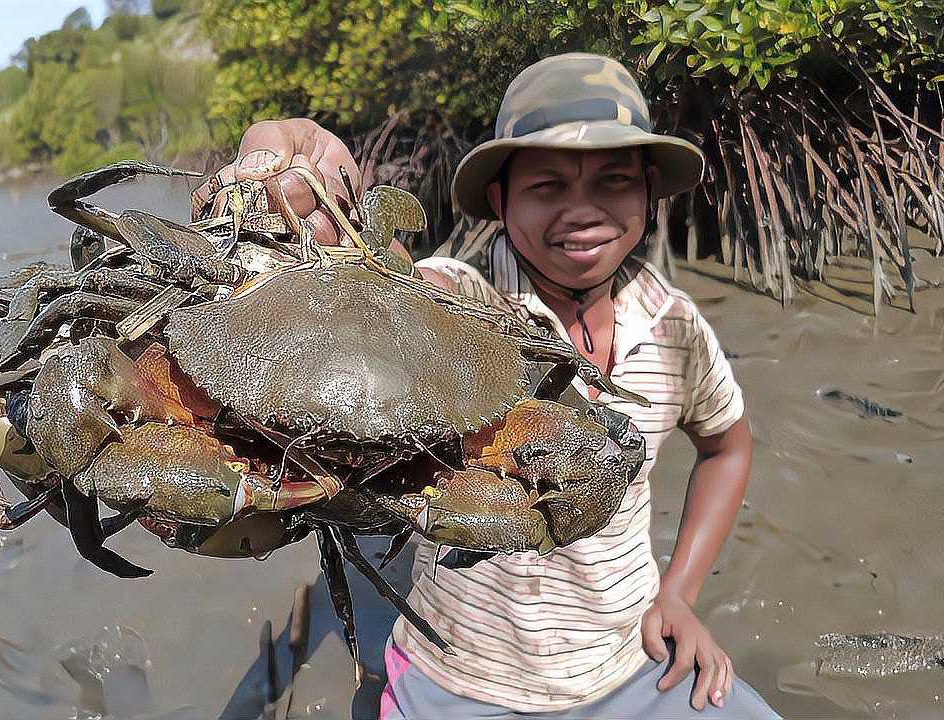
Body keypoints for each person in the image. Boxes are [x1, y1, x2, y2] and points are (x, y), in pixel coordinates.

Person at [197, 53, 780, 719]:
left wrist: (679, 593)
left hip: (630, 662)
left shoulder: (676, 329)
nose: (582, 211)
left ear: (649, 191)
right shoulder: (468, 308)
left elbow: (728, 447)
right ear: (500, 199)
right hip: (462, 678)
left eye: (614, 182)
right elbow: (401, 293)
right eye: (548, 186)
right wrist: (330, 226)